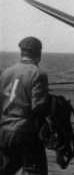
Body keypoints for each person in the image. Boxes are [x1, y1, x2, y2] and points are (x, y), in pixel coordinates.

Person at [0, 37, 49, 175]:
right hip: (25, 132)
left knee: (6, 170)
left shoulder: (6, 72)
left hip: (4, 130)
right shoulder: (38, 73)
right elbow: (38, 107)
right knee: (35, 171)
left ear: (22, 52)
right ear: (38, 53)